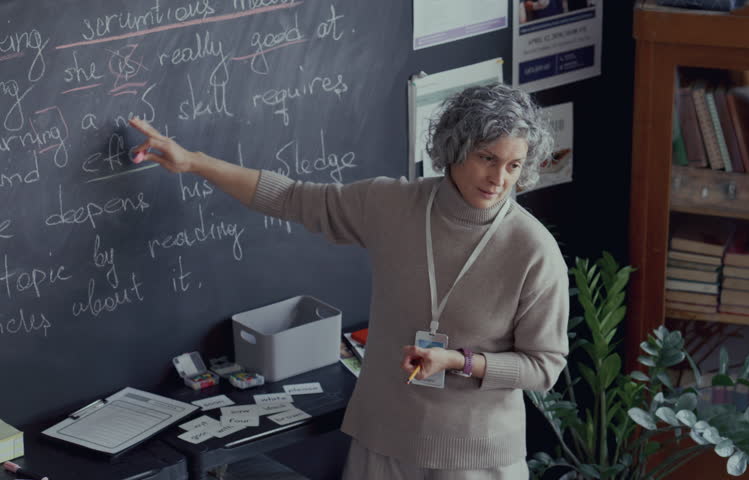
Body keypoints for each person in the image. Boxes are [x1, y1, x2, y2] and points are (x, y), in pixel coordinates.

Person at [130, 83, 570, 479]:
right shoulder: (393, 204)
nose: (499, 179)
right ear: (456, 147)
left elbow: (544, 366)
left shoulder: (532, 250)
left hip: (477, 460)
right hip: (383, 442)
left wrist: (460, 362)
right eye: (486, 158)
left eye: (513, 166)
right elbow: (289, 197)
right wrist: (194, 162)